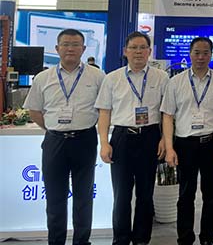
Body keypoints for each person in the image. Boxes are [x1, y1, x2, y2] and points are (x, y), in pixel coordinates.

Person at [23, 28, 105, 245]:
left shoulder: (97, 76)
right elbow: (34, 110)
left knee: (84, 197)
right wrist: (53, 128)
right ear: (57, 48)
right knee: (55, 197)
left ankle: (81, 241)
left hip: (85, 140)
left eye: (75, 44)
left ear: (84, 49)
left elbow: (105, 109)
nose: (70, 48)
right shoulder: (43, 77)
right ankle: (56, 241)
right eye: (66, 44)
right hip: (55, 142)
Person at [96, 31, 169, 245]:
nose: (138, 52)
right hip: (122, 138)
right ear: (125, 51)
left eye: (142, 48)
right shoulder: (112, 78)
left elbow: (167, 112)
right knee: (122, 195)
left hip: (150, 137)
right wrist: (104, 143)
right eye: (133, 48)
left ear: (149, 51)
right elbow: (104, 113)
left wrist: (165, 139)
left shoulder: (161, 77)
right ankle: (120, 239)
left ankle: (141, 239)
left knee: (146, 194)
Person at [161, 37, 213, 245]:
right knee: (186, 194)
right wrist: (169, 148)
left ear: (211, 55)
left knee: (211, 194)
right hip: (186, 144)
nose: (201, 57)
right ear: (190, 54)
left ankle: (207, 238)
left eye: (205, 53)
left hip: (212, 142)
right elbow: (168, 115)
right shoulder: (175, 82)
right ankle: (185, 238)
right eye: (197, 52)